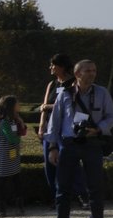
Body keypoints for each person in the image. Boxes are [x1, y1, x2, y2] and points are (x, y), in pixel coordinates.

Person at [45, 59, 113, 218]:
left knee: (95, 188)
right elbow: (55, 122)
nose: (92, 73)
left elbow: (112, 116)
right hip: (69, 144)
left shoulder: (102, 93)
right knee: (62, 188)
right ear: (77, 74)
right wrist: (53, 147)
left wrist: (99, 129)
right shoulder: (65, 94)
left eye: (94, 70)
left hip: (92, 144)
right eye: (88, 71)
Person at [37, 54, 86, 208]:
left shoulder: (74, 84)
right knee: (50, 164)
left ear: (62, 67)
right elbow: (43, 107)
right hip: (51, 128)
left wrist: (50, 107)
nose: (50, 67)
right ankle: (57, 197)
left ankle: (81, 195)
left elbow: (73, 106)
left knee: (71, 163)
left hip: (67, 128)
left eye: (53, 65)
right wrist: (41, 126)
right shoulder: (51, 85)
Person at [0, 95, 27, 217]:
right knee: (2, 184)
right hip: (4, 159)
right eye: (17, 103)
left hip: (13, 157)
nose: (19, 104)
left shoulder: (14, 120)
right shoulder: (4, 122)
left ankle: (20, 207)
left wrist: (21, 122)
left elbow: (22, 132)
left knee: (17, 183)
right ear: (11, 106)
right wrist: (18, 136)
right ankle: (2, 210)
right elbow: (13, 139)